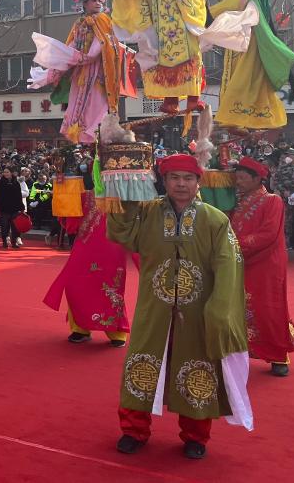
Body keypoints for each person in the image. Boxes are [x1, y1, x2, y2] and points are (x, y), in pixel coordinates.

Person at [107, 153, 252, 460]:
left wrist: (220, 308)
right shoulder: (146, 212)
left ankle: (196, 436)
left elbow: (229, 264)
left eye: (188, 178)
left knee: (198, 367)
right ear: (165, 181)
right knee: (142, 362)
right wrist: (123, 192)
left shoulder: (215, 219)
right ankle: (134, 430)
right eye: (174, 178)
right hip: (153, 306)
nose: (181, 184)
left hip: (198, 311)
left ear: (199, 182)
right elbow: (121, 233)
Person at [208, 0, 294, 130]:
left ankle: (236, 120)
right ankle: (239, 122)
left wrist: (208, 14)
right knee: (247, 81)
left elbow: (234, 4)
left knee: (241, 79)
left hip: (250, 39)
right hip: (246, 37)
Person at [231, 157, 294, 376]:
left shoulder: (273, 201)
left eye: (242, 178)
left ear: (256, 179)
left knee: (269, 307)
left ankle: (279, 355)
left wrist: (233, 245)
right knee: (240, 306)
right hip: (241, 260)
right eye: (237, 178)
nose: (238, 182)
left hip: (266, 263)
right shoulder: (238, 200)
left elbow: (268, 235)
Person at [31, 0, 122, 143]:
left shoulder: (103, 20)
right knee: (79, 105)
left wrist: (82, 57)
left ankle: (96, 134)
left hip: (99, 73)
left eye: (100, 0)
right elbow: (71, 46)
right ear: (85, 2)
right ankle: (84, 135)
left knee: (97, 105)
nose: (98, 3)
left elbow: (100, 45)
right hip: (81, 73)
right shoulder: (79, 23)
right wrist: (57, 66)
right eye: (94, 0)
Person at [42, 190, 133, 346]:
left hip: (112, 245)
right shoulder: (85, 194)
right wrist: (62, 195)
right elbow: (70, 218)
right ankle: (80, 327)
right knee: (75, 284)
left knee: (111, 286)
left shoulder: (126, 194)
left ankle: (116, 332)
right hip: (85, 243)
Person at [0, 167, 25, 249]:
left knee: (15, 226)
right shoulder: (0, 183)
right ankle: (5, 242)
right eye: (4, 172)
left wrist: (22, 207)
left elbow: (19, 196)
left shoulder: (16, 183)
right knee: (4, 226)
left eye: (7, 172)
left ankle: (14, 243)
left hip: (14, 208)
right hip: (3, 209)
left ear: (11, 173)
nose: (5, 174)